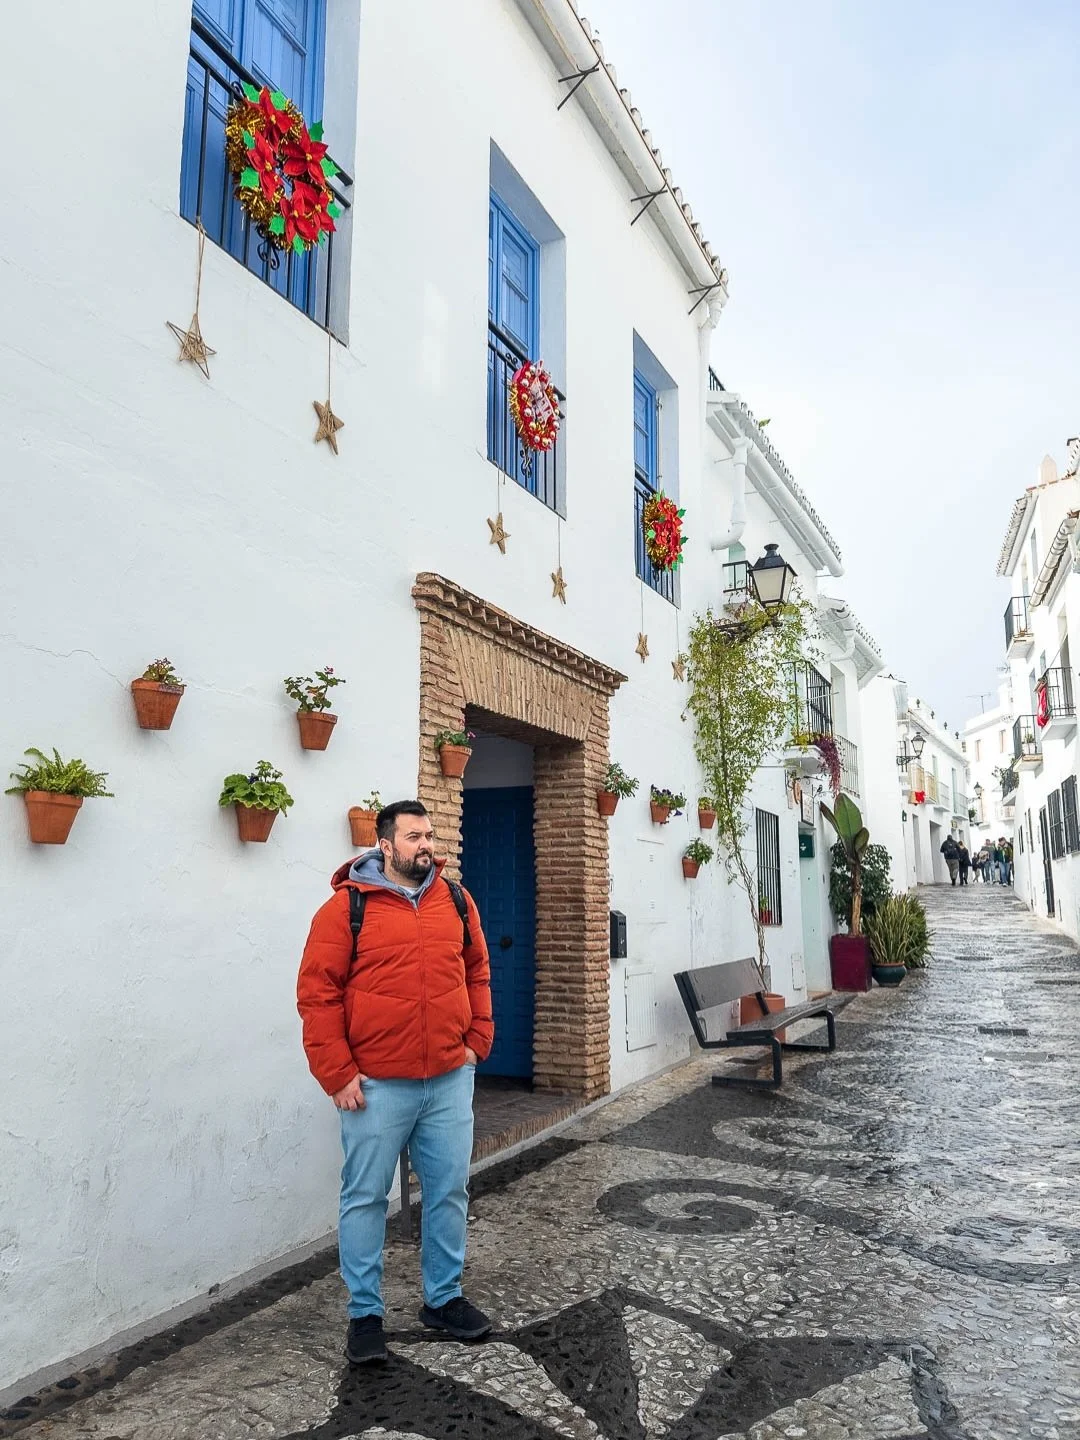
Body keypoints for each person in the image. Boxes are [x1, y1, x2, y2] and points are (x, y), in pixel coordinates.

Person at [297, 800, 495, 1366]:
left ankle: (444, 1297)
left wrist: (476, 1040)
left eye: (429, 834)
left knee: (450, 1189)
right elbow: (317, 995)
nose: (425, 845)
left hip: (449, 1080)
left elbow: (477, 970)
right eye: (414, 836)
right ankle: (365, 1314)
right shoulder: (345, 911)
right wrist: (336, 1073)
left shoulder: (456, 900)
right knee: (364, 1198)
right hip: (376, 1086)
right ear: (385, 845)